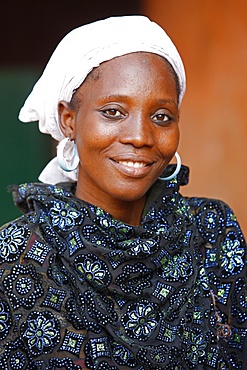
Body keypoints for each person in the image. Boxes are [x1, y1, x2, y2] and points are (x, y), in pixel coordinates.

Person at [0, 15, 246, 370]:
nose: (141, 137)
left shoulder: (211, 232)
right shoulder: (16, 259)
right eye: (113, 112)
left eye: (161, 116)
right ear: (68, 120)